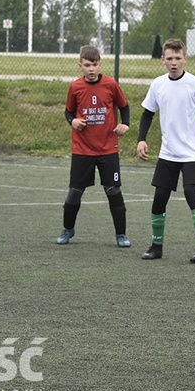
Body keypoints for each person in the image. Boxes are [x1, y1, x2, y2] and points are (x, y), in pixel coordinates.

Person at [136, 38, 195, 264]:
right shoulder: (158, 84)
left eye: (178, 58)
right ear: (163, 60)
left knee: (191, 192)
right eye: (169, 58)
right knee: (159, 199)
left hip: (192, 152)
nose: (174, 62)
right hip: (168, 152)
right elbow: (147, 114)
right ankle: (156, 246)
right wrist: (141, 139)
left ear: (185, 59)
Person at [56, 45, 132, 248]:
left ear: (101, 64)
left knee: (114, 192)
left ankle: (121, 234)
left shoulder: (111, 84)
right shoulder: (75, 87)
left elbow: (124, 106)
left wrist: (125, 123)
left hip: (108, 149)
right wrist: (72, 121)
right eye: (87, 65)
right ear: (80, 65)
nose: (91, 69)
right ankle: (67, 229)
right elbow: (68, 112)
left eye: (95, 64)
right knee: (74, 193)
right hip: (82, 150)